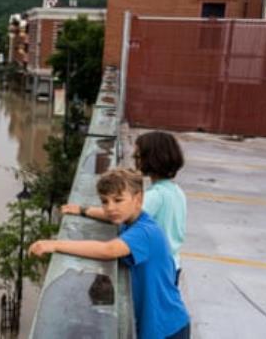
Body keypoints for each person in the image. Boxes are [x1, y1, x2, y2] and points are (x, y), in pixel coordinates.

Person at [29, 169, 190, 339]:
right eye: (105, 201)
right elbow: (109, 215)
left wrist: (55, 244)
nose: (110, 208)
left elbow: (109, 250)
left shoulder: (145, 232)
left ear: (139, 199)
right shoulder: (131, 221)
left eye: (118, 200)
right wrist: (83, 210)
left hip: (167, 328)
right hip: (159, 323)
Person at [61, 131, 186, 285]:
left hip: (158, 268)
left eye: (138, 156)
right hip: (173, 262)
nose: (134, 160)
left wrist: (84, 210)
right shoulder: (175, 190)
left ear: (151, 158)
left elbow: (119, 215)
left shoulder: (156, 196)